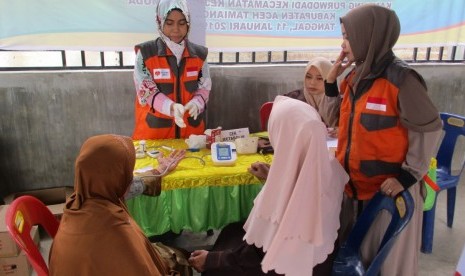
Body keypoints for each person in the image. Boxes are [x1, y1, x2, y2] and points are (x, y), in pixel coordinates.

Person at [324, 4, 443, 275]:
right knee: (356, 263)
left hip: (389, 195)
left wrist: (407, 176)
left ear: (370, 35)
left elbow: (429, 130)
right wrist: (331, 80)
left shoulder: (402, 79)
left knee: (387, 265)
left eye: (348, 36)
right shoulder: (355, 76)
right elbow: (333, 120)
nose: (343, 45)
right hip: (355, 191)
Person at [188, 96, 349, 276]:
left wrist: (212, 260)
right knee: (232, 231)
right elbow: (296, 186)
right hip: (310, 262)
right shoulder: (327, 168)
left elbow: (258, 257)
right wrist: (273, 175)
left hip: (288, 268)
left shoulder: (302, 190)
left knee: (215, 267)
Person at [49, 134, 185, 275]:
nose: (130, 178)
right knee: (180, 259)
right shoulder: (116, 230)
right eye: (126, 173)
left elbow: (132, 186)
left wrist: (159, 171)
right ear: (116, 179)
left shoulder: (80, 199)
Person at [249, 56, 340, 181]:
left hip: (329, 159)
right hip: (298, 156)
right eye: (308, 77)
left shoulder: (341, 103)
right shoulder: (293, 99)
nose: (312, 83)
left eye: (319, 78)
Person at [132, 0, 212, 140]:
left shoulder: (200, 55)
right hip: (154, 137)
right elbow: (146, 91)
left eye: (182, 23)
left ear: (188, 23)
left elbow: (204, 87)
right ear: (160, 22)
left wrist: (197, 102)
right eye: (169, 23)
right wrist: (171, 107)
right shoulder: (146, 53)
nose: (176, 29)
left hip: (191, 137)